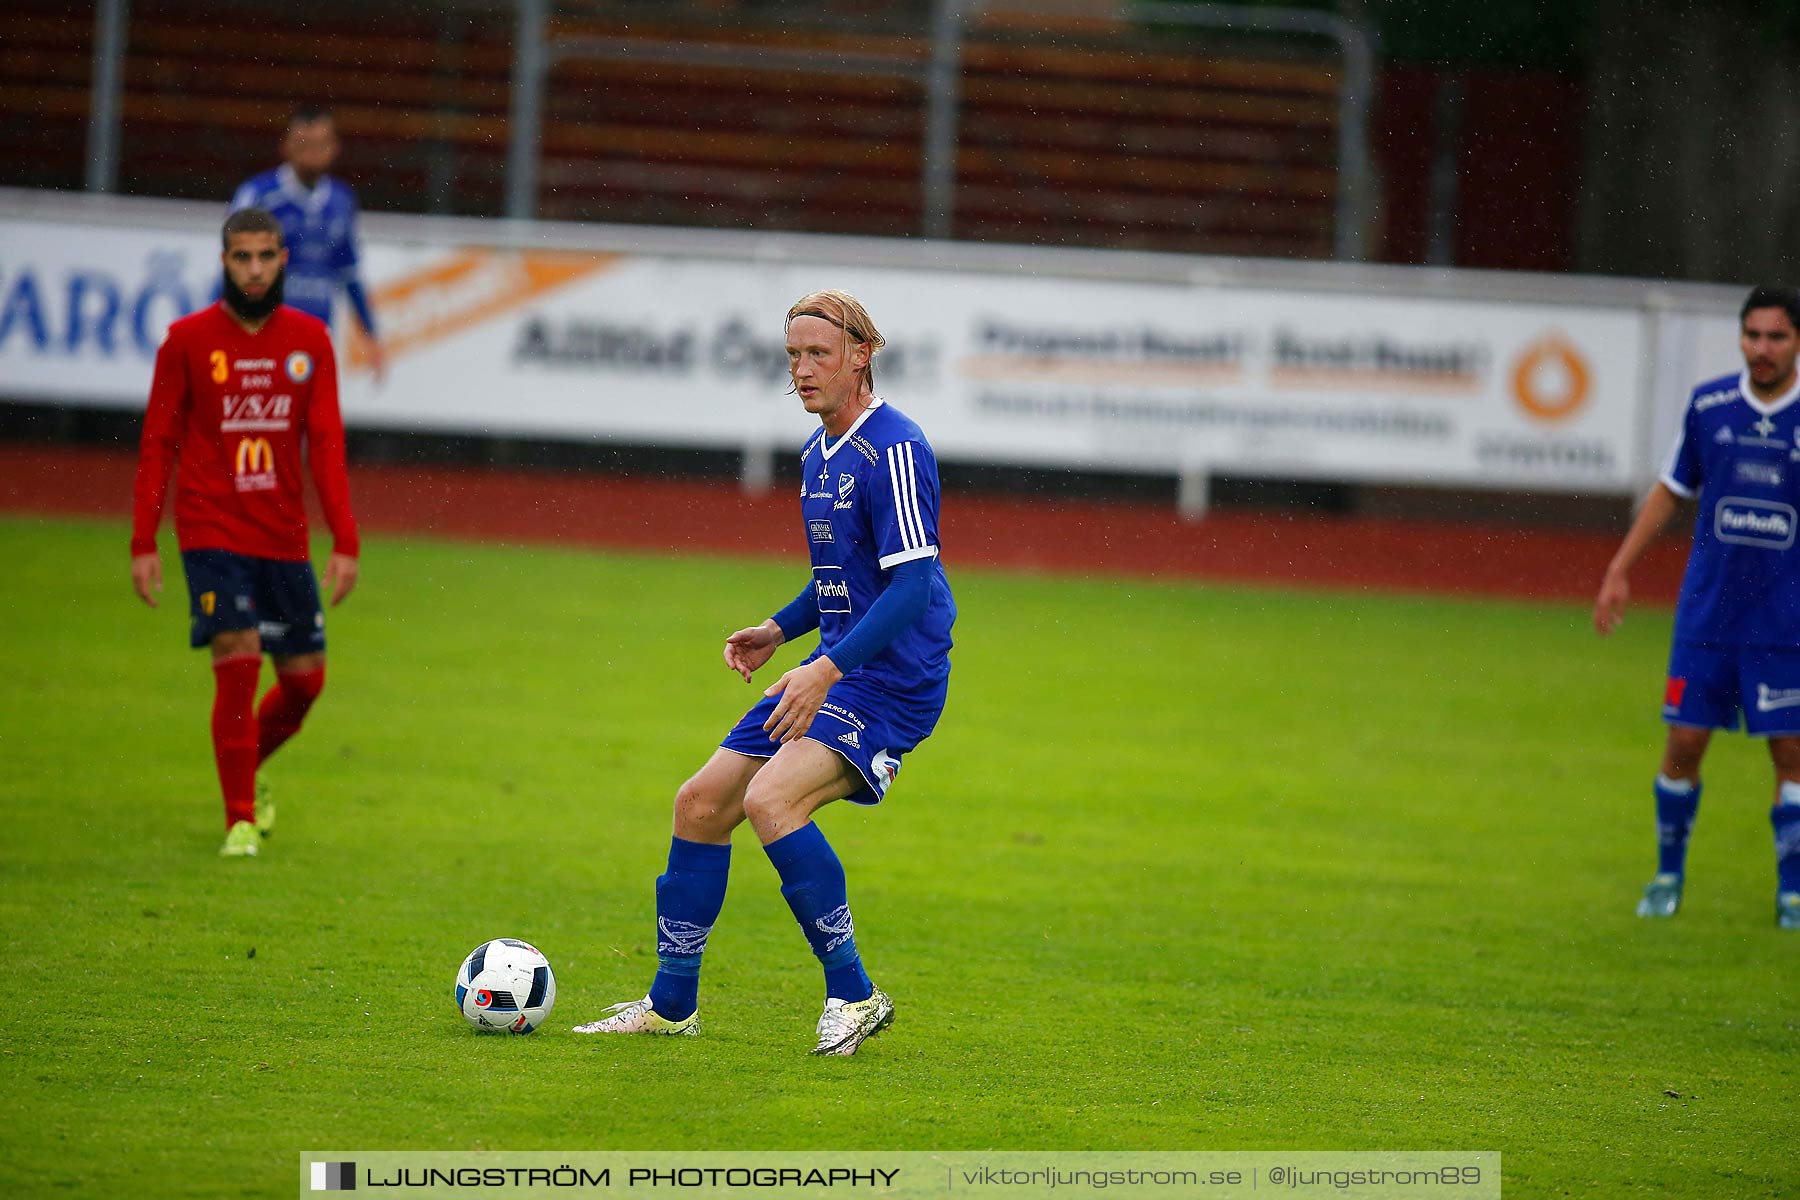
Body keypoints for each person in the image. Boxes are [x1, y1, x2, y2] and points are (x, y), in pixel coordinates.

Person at [574, 290, 956, 1054]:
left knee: (772, 799)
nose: (803, 370)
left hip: (892, 678)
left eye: (818, 354)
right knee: (701, 804)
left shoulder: (896, 447)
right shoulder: (819, 453)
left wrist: (826, 670)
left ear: (860, 354)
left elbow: (913, 585)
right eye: (792, 356)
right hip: (831, 668)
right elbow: (843, 576)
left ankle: (855, 995)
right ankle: (672, 1002)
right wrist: (779, 632)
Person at [130, 208, 361, 858]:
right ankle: (239, 820)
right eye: (241, 258)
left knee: (304, 683)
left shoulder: (310, 340)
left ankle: (243, 771)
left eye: (265, 256)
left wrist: (344, 539)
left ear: (283, 260)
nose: (254, 270)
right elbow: (159, 443)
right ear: (224, 261)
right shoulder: (187, 340)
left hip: (283, 534)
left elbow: (326, 445)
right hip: (210, 526)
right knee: (237, 657)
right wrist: (143, 539)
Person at [1595, 285, 1800, 930]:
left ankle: (1792, 892)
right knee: (1683, 742)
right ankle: (1666, 876)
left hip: (1785, 622)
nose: (1761, 349)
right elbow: (1671, 490)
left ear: (1797, 342)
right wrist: (1620, 568)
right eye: (1752, 336)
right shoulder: (1709, 407)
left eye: (1776, 337)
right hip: (1708, 616)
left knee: (1791, 755)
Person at [229, 105, 385, 380]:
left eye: (320, 144)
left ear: (334, 147)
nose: (312, 152)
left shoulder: (341, 201)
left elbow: (349, 275)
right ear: (286, 146)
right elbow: (231, 272)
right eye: (304, 143)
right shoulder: (258, 197)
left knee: (311, 420)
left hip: (316, 342)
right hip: (261, 341)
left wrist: (371, 336)